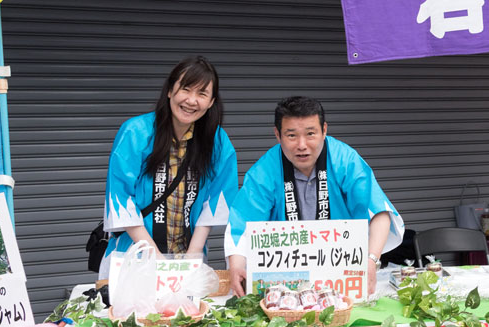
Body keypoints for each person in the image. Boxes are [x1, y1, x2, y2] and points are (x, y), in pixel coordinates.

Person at [225, 96, 404, 297]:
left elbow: (379, 213)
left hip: (341, 272)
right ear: (277, 135)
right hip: (285, 279)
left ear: (324, 130)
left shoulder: (345, 160)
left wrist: (371, 261)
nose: (302, 145)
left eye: (310, 134)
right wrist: (237, 265)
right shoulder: (264, 171)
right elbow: (241, 225)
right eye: (291, 136)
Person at [100, 56, 238, 278]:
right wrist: (157, 261)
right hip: (133, 259)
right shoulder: (135, 133)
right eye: (186, 89)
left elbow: (214, 205)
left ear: (211, 102)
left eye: (202, 94)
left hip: (186, 263)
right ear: (169, 91)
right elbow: (121, 201)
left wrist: (193, 258)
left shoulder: (218, 143)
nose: (192, 100)